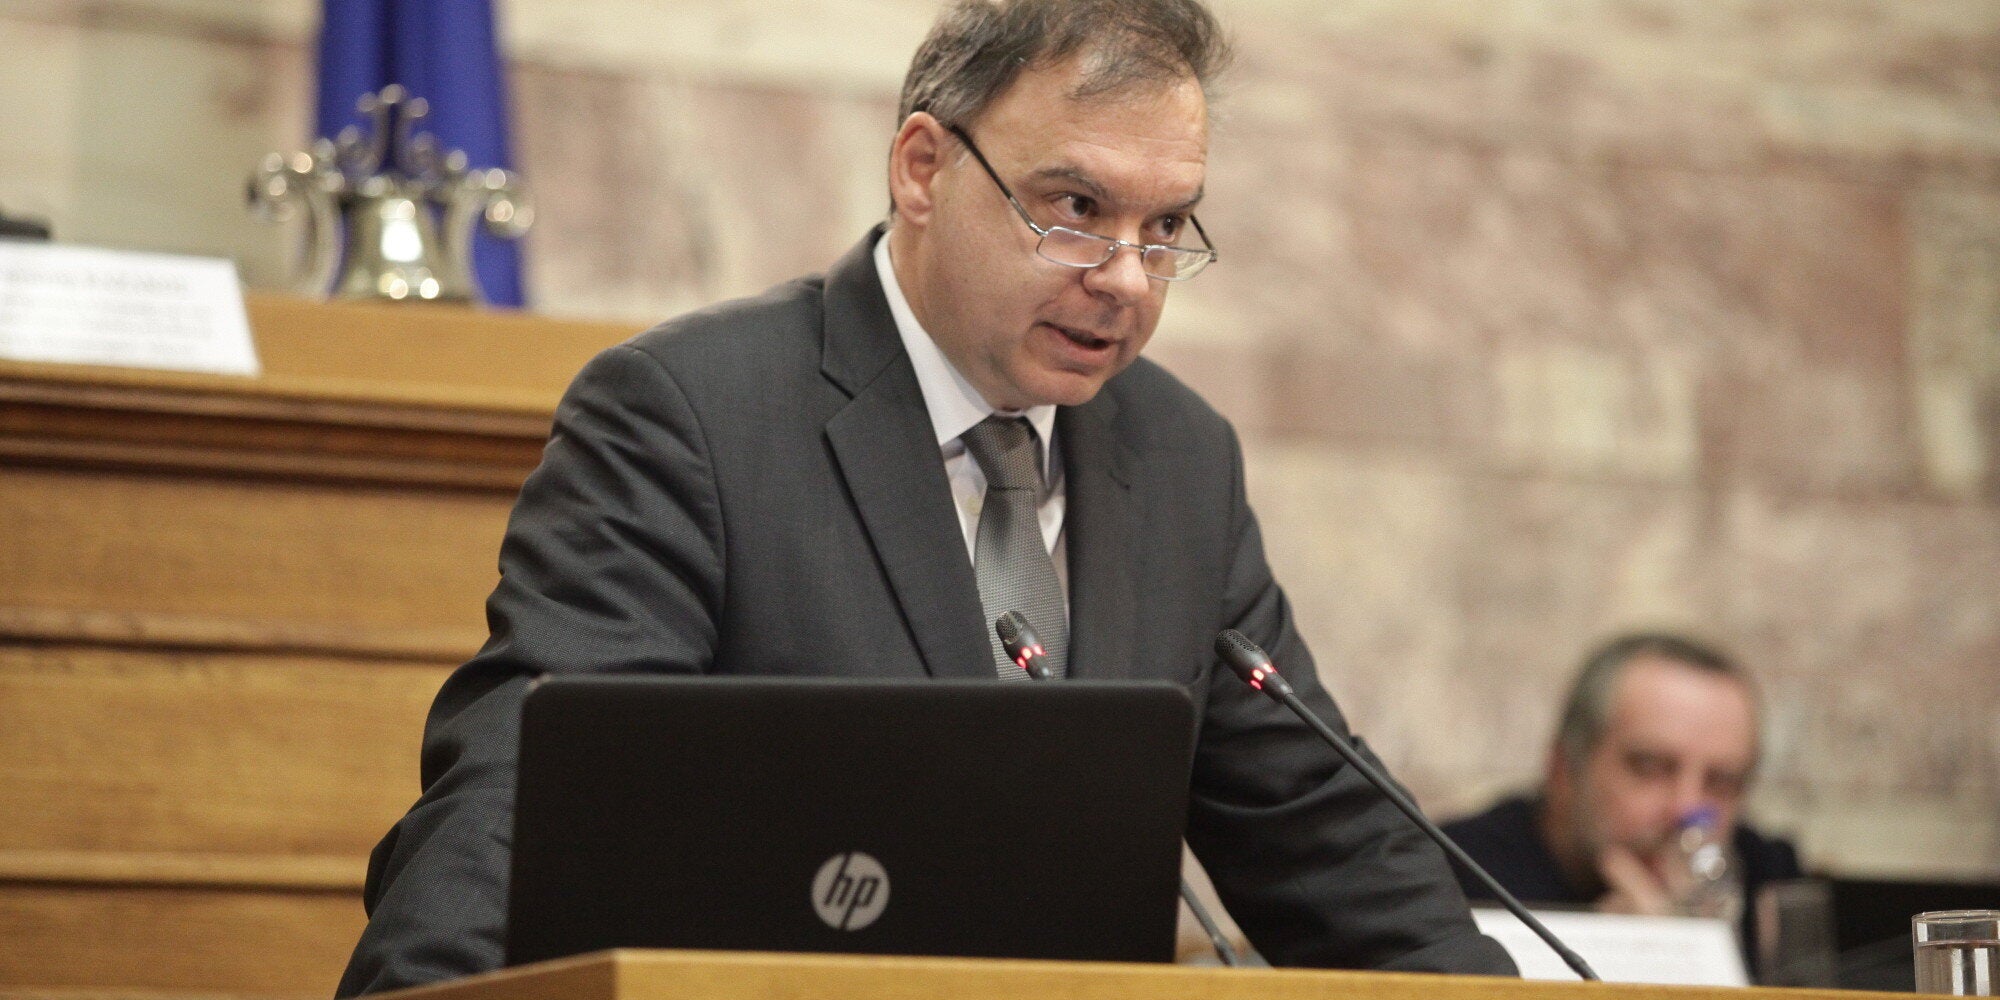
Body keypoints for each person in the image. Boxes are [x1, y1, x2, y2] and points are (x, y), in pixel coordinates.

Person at [336, 1, 1516, 993]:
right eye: (1073, 209)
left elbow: (1327, 836)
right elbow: (530, 798)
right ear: (922, 168)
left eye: (1163, 228)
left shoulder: (1177, 458)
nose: (1124, 279)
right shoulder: (693, 415)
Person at [1441, 633, 1802, 969]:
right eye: (1650, 767)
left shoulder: (1771, 888)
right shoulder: (1453, 876)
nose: (1687, 808)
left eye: (1721, 782)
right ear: (1564, 768)